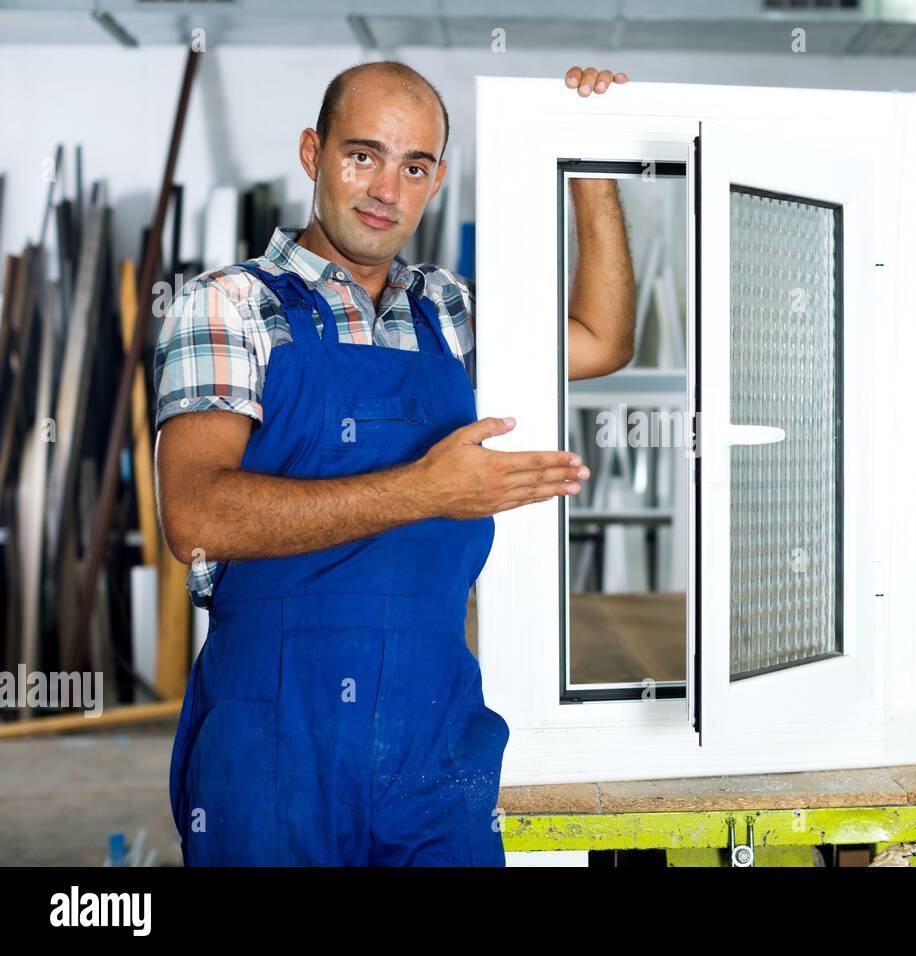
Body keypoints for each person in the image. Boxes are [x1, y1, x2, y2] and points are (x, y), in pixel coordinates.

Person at [156, 63, 635, 865]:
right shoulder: (229, 304)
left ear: (437, 180)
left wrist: (586, 156)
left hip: (436, 726)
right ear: (313, 153)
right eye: (362, 155)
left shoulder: (447, 310)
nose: (386, 188)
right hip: (276, 729)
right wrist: (425, 490)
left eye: (414, 167)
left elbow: (602, 337)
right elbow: (197, 518)